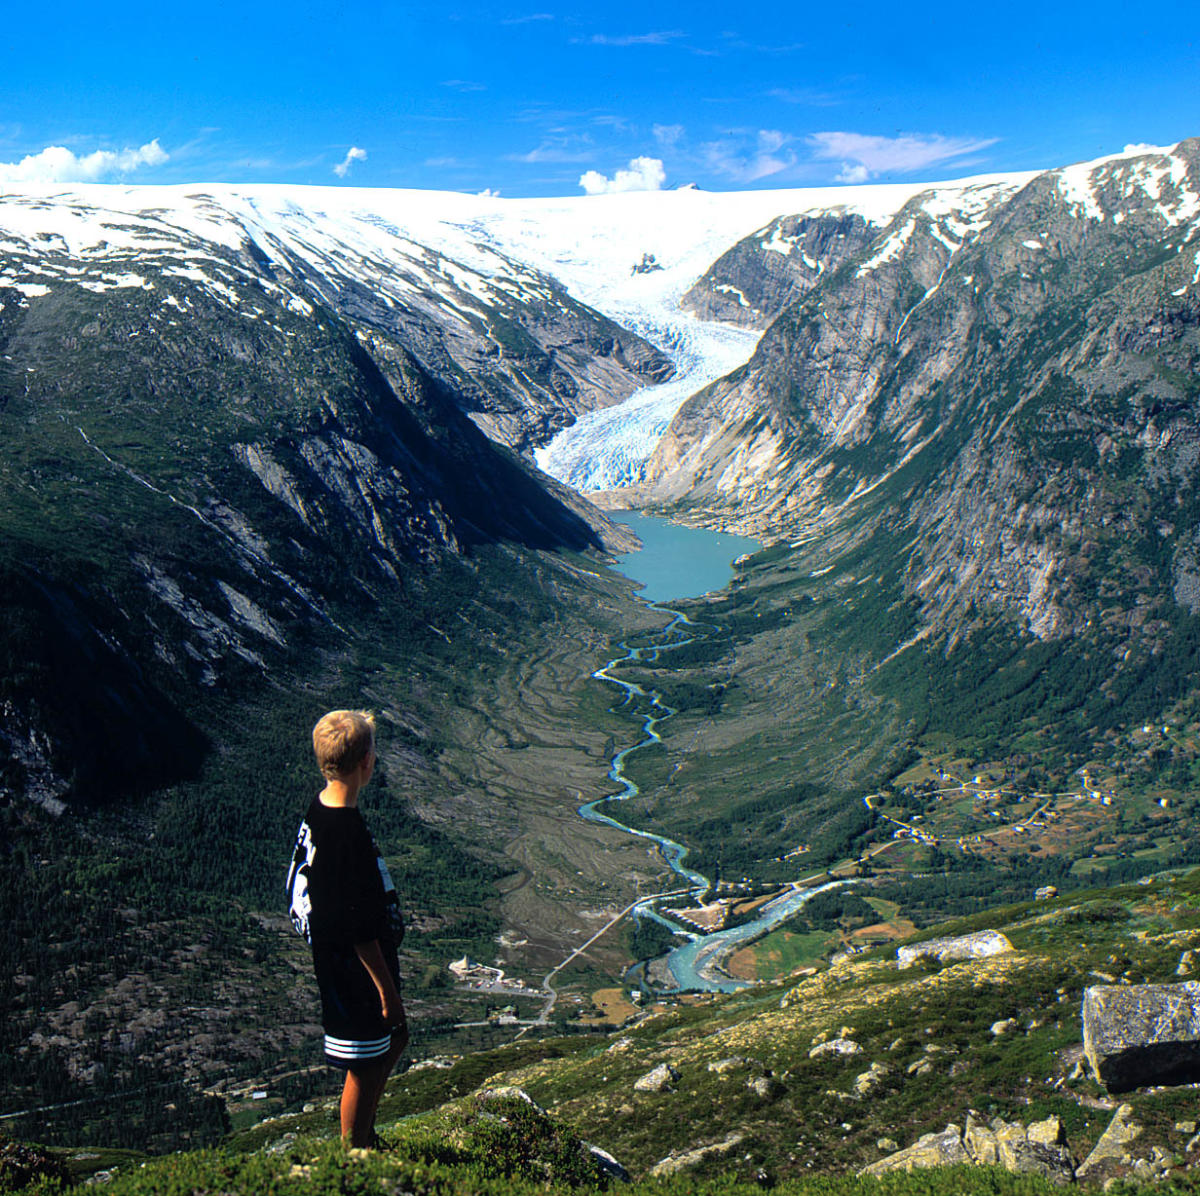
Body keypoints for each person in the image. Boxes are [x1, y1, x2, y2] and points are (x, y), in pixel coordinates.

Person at [292, 709, 407, 1147]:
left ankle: (363, 1136)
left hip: (343, 961)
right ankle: (356, 1149)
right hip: (356, 972)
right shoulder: (346, 834)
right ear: (366, 762)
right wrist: (387, 993)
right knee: (368, 1060)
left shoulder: (322, 808)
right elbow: (360, 930)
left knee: (390, 1042)